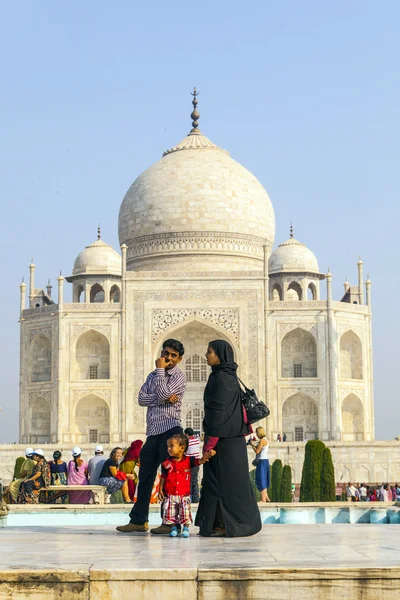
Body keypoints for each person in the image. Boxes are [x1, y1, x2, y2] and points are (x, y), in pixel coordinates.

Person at [116, 338, 187, 534]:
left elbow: (164, 393)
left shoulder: (179, 376)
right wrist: (162, 397)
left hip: (171, 431)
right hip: (153, 433)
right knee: (145, 477)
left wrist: (160, 374)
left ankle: (170, 522)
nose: (168, 358)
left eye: (173, 356)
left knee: (170, 478)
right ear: (162, 353)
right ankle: (139, 521)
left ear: (179, 359)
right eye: (166, 353)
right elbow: (141, 398)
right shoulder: (153, 375)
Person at [195, 340, 262, 538]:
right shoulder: (226, 376)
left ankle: (233, 524)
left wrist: (209, 444)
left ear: (220, 356)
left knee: (223, 485)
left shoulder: (221, 379)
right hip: (231, 442)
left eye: (209, 352)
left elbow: (219, 414)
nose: (206, 355)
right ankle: (221, 524)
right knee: (225, 484)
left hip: (223, 443)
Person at [159, 433, 209, 538]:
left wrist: (206, 457)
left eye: (171, 446)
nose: (169, 449)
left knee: (185, 512)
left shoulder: (188, 460)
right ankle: (173, 528)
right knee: (171, 512)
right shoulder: (167, 462)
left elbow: (199, 461)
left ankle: (185, 528)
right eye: (168, 446)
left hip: (183, 494)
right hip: (170, 493)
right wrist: (160, 489)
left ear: (182, 448)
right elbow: (163, 476)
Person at [250, 427, 270, 502]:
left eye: (257, 433)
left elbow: (257, 451)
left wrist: (252, 445)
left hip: (262, 461)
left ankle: (263, 499)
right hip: (265, 460)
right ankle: (266, 497)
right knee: (264, 478)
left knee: (262, 479)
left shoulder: (262, 440)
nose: (256, 435)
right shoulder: (265, 439)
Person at [184, 427, 201, 503]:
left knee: (189, 481)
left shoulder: (188, 442)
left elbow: (186, 453)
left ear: (187, 434)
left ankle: (189, 498)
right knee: (195, 481)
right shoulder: (197, 440)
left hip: (190, 463)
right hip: (197, 462)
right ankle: (196, 499)